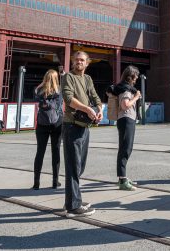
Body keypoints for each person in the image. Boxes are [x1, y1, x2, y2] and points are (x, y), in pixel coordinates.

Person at [61, 51, 102, 217]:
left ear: (87, 63)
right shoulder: (68, 77)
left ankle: (73, 199)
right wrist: (87, 109)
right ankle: (73, 206)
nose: (79, 62)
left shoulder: (88, 79)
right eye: (76, 59)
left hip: (84, 126)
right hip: (72, 125)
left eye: (82, 60)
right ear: (73, 62)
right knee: (73, 165)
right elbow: (68, 98)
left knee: (80, 165)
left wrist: (99, 109)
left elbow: (95, 96)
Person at [32, 69, 63, 190]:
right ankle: (55, 182)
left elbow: (35, 94)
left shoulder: (39, 91)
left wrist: (42, 84)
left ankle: (36, 183)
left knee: (40, 152)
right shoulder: (59, 91)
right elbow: (58, 106)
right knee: (56, 152)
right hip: (57, 124)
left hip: (42, 124)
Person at [113, 65, 141, 190]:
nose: (136, 79)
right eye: (135, 76)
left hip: (127, 120)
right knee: (125, 149)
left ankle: (123, 177)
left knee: (126, 148)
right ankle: (122, 180)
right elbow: (125, 105)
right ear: (131, 76)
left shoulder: (126, 88)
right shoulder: (126, 90)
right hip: (126, 119)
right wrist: (136, 97)